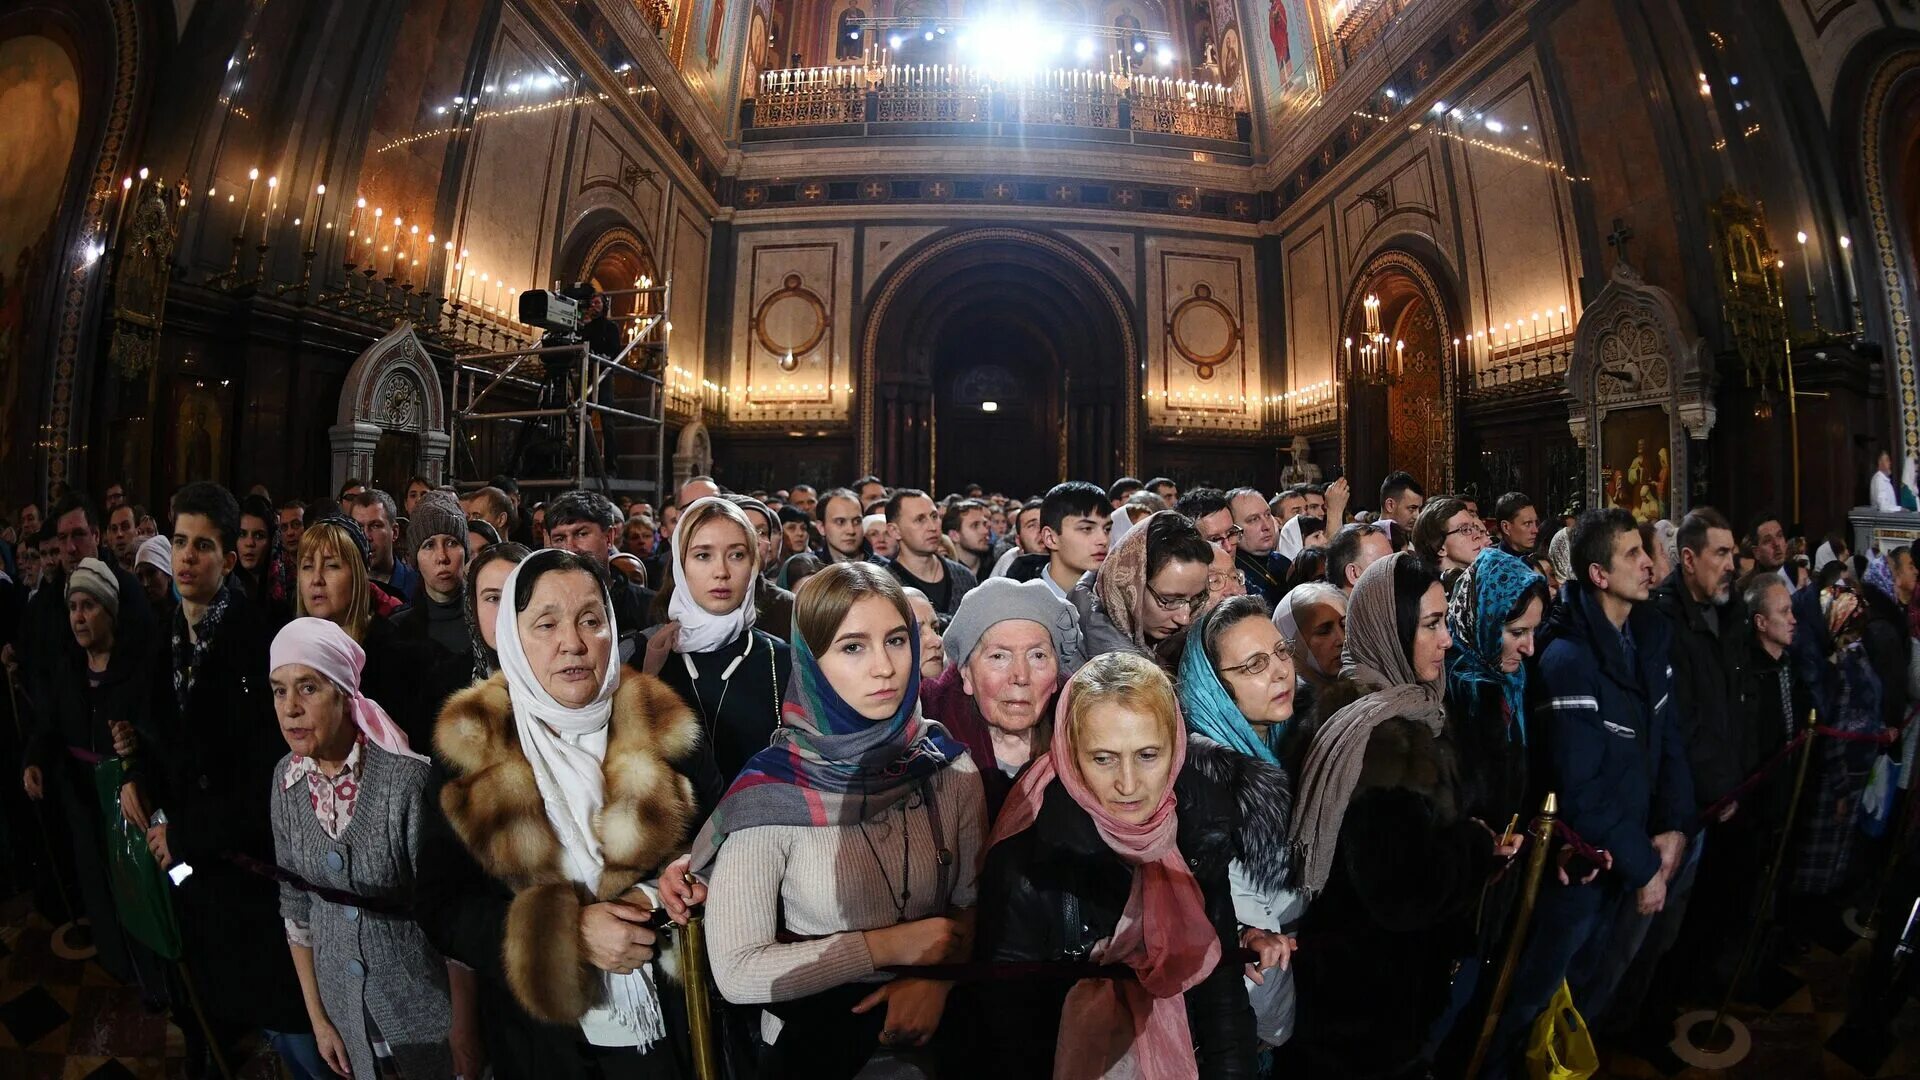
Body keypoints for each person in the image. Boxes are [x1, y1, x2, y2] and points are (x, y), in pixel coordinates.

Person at [663, 561, 986, 1078]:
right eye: (852, 647)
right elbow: (737, 972)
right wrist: (884, 948)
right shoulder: (773, 792)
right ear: (811, 663)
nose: (884, 667)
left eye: (897, 640)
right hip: (811, 1049)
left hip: (936, 1040)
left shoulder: (948, 766)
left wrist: (938, 980)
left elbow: (972, 907)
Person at [419, 548, 704, 1077]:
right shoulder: (470, 750)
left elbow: (717, 845)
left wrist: (656, 893)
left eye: (590, 621)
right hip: (540, 1044)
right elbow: (444, 905)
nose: (572, 643)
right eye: (545, 624)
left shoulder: (666, 728)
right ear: (511, 637)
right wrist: (567, 933)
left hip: (674, 1025)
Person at [1283, 553, 1515, 1077]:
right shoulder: (1377, 744)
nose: (1448, 640)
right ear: (1389, 629)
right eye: (1430, 624)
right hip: (1367, 1005)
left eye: (1445, 621)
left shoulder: (1410, 708)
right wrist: (1476, 849)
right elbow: (1403, 894)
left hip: (1389, 991)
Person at [972, 651, 1256, 1078]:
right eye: (1103, 758)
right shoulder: (1028, 861)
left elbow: (1222, 1003)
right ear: (1071, 753)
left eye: (1147, 755)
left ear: (1176, 748)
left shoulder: (1199, 834)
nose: (1127, 784)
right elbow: (1009, 1040)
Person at [1484, 508, 1692, 1076]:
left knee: (1594, 983)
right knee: (1539, 987)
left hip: (1628, 850)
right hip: (1585, 865)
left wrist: (1674, 824)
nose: (1649, 564)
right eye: (1633, 554)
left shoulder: (1646, 637)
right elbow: (1581, 787)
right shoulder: (1568, 659)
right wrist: (1643, 862)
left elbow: (1667, 736)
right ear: (1598, 574)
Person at [145, 482, 313, 1074]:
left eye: (204, 546)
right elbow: (154, 725)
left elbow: (264, 773)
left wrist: (187, 832)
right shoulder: (164, 631)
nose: (187, 558)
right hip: (188, 852)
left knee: (265, 998)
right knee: (202, 977)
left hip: (238, 856)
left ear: (228, 556)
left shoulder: (254, 639)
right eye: (180, 542)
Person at [267, 618, 454, 1078]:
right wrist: (319, 1019)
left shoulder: (405, 782)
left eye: (307, 688)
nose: (290, 708)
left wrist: (465, 1031)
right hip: (344, 1013)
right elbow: (296, 910)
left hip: (423, 1015)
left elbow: (450, 922)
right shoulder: (286, 783)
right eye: (278, 690)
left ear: (346, 695)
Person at [22, 557, 158, 988]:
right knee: (95, 883)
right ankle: (117, 965)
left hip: (127, 794)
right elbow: (48, 724)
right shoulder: (70, 670)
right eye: (73, 607)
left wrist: (135, 744)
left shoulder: (137, 669)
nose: (79, 617)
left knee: (137, 885)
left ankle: (149, 972)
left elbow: (157, 729)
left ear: (110, 611)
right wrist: (34, 760)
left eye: (89, 606)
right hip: (79, 796)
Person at [1177, 595, 1303, 1050]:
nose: (1279, 671)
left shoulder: (1303, 747)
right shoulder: (1197, 783)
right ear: (1213, 684)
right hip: (1235, 1011)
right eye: (1253, 665)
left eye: (1281, 653)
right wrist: (1241, 933)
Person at [639, 497, 792, 788]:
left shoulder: (781, 661)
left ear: (754, 564)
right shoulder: (644, 658)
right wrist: (647, 682)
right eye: (703, 555)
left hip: (761, 829)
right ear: (680, 565)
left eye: (736, 555)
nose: (721, 571)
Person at [920, 577, 1079, 816]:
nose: (1020, 676)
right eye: (999, 657)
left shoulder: (1082, 737)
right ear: (967, 675)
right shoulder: (927, 749)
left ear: (1057, 674)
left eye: (1037, 656)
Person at [295, 515, 440, 749]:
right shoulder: (291, 655)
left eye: (332, 565)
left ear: (360, 574)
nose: (316, 579)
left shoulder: (398, 655)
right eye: (307, 566)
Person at [1068, 510, 1212, 669]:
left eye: (1196, 599)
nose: (1184, 618)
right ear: (1130, 585)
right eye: (1169, 600)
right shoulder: (1103, 664)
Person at [547, 489, 658, 641]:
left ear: (609, 537)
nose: (570, 547)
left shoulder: (650, 607)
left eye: (581, 534)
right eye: (560, 539)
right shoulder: (542, 609)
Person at [393, 491, 471, 655]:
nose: (442, 557)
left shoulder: (489, 623)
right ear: (415, 558)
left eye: (451, 543)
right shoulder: (397, 631)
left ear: (466, 551)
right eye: (429, 545)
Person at [885, 489, 978, 615]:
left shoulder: (964, 576)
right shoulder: (884, 585)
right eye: (920, 519)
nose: (933, 527)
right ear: (894, 531)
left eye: (934, 517)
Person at [1038, 481, 1111, 601]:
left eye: (1107, 529)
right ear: (1050, 538)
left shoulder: (1117, 601)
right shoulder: (1018, 604)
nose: (1103, 540)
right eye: (1087, 529)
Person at [346, 490, 419, 602]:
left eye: (375, 526)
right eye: (358, 527)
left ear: (394, 532)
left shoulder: (418, 587)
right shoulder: (342, 587)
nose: (365, 536)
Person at [235, 493, 293, 625]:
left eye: (259, 536)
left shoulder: (288, 585)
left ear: (271, 541)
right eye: (242, 534)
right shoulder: (224, 588)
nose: (249, 543)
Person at [1411, 495, 1488, 584]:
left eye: (1474, 527)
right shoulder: (1432, 592)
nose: (1477, 535)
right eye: (1465, 530)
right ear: (1440, 548)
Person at [943, 498, 993, 577]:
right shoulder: (943, 573)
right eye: (975, 525)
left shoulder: (995, 565)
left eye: (984, 524)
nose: (985, 531)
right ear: (954, 535)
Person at [135, 533, 175, 618]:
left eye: (151, 573)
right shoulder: (138, 617)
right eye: (140, 577)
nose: (145, 583)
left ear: (168, 573)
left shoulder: (187, 616)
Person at [1868, 447, 1918, 512]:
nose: (1890, 463)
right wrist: (1900, 509)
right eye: (1887, 460)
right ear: (1879, 462)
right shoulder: (1879, 479)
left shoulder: (1883, 479)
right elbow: (1883, 506)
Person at [1380, 471, 1426, 537]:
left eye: (1419, 509)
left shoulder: (1414, 542)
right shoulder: (1367, 542)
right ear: (1390, 505)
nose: (1417, 516)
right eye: (1412, 508)